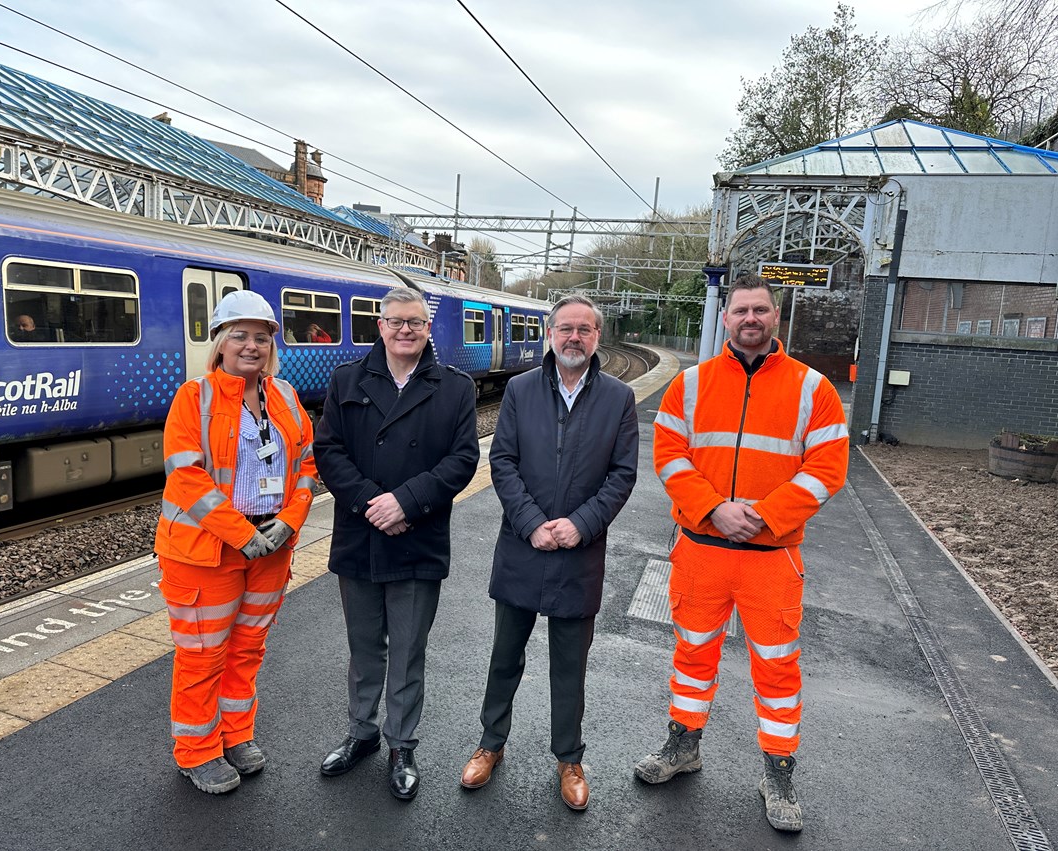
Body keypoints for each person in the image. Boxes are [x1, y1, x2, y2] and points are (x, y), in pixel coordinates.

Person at [636, 273, 848, 833]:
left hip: (771, 556)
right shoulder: (691, 384)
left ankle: (778, 772)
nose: (750, 318)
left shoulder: (813, 389)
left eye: (760, 309)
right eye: (740, 311)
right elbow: (669, 454)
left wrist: (760, 516)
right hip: (701, 548)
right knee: (691, 656)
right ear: (725, 318)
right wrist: (714, 510)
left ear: (776, 317)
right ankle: (684, 746)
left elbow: (828, 469)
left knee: (778, 669)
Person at [459, 295, 638, 812]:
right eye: (565, 328)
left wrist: (580, 525)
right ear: (550, 334)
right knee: (504, 658)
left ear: (597, 337)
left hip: (579, 554)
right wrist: (533, 523)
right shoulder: (519, 390)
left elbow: (622, 475)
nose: (574, 337)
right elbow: (504, 461)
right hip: (523, 547)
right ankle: (490, 744)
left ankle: (569, 758)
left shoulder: (617, 398)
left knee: (569, 666)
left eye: (584, 329)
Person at [313, 288, 478, 801]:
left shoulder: (455, 388)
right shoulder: (347, 380)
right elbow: (328, 450)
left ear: (429, 329)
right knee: (364, 650)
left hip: (417, 536)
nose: (405, 330)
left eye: (415, 322)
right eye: (395, 322)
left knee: (408, 652)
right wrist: (371, 503)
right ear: (379, 327)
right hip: (361, 535)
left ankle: (401, 745)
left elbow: (463, 460)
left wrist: (405, 502)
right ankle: (361, 733)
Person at [153, 289, 318, 795]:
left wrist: (290, 522)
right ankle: (197, 751)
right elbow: (187, 478)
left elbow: (306, 468)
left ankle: (235, 735)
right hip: (207, 551)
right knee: (203, 654)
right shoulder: (194, 397)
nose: (252, 346)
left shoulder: (286, 397)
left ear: (272, 345)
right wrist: (242, 534)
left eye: (262, 337)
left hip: (271, 546)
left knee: (247, 649)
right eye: (240, 336)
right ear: (220, 343)